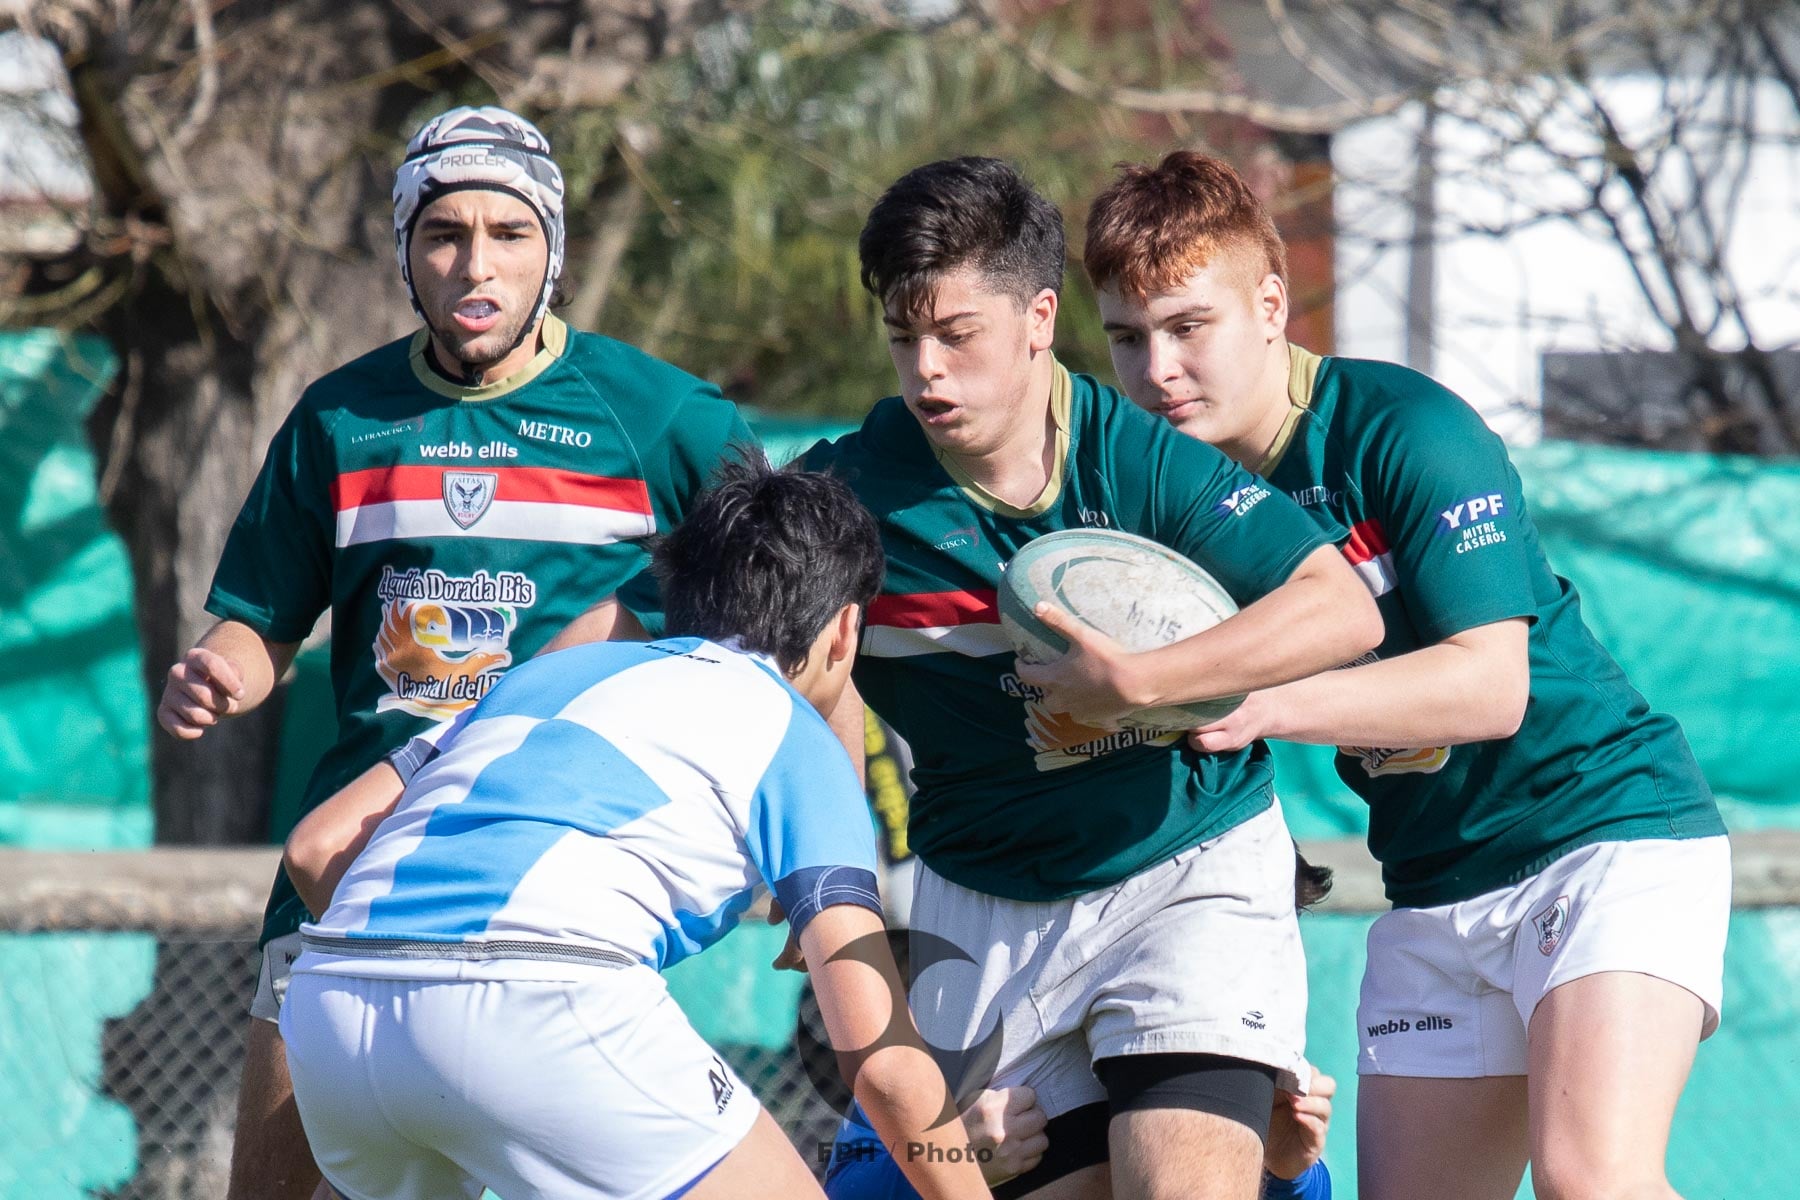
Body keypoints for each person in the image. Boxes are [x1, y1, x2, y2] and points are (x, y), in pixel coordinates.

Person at [1075, 149, 1730, 1200]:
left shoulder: (1405, 429)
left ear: (1272, 305)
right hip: (1431, 889)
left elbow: (1488, 688)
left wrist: (1254, 702)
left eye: (1189, 325)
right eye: (1126, 336)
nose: (1156, 369)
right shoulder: (1157, 504)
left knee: (1591, 1179)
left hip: (1600, 840)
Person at [154, 105, 753, 1200]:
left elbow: (780, 593)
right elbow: (261, 621)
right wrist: (225, 669)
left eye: (509, 232)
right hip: (348, 875)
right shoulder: (340, 420)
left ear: (553, 254)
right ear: (405, 254)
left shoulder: (660, 416)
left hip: (539, 887)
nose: (476, 262)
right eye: (445, 233)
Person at [801, 157, 1383, 1200]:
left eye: (957, 335)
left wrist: (1141, 680)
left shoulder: (1139, 459)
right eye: (904, 339)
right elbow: (774, 682)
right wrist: (819, 878)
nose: (927, 370)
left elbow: (1339, 607)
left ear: (1038, 317)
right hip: (986, 904)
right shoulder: (846, 497)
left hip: (1185, 872)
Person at [276, 459, 991, 1200]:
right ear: (845, 630)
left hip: (334, 1009)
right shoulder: (792, 730)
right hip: (532, 999)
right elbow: (882, 1062)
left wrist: (419, 987)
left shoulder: (538, 679)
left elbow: (316, 847)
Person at [823, 1069, 1336, 1200]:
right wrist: (946, 1159)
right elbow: (842, 1185)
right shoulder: (938, 1014)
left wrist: (1287, 1176)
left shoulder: (1248, 1036)